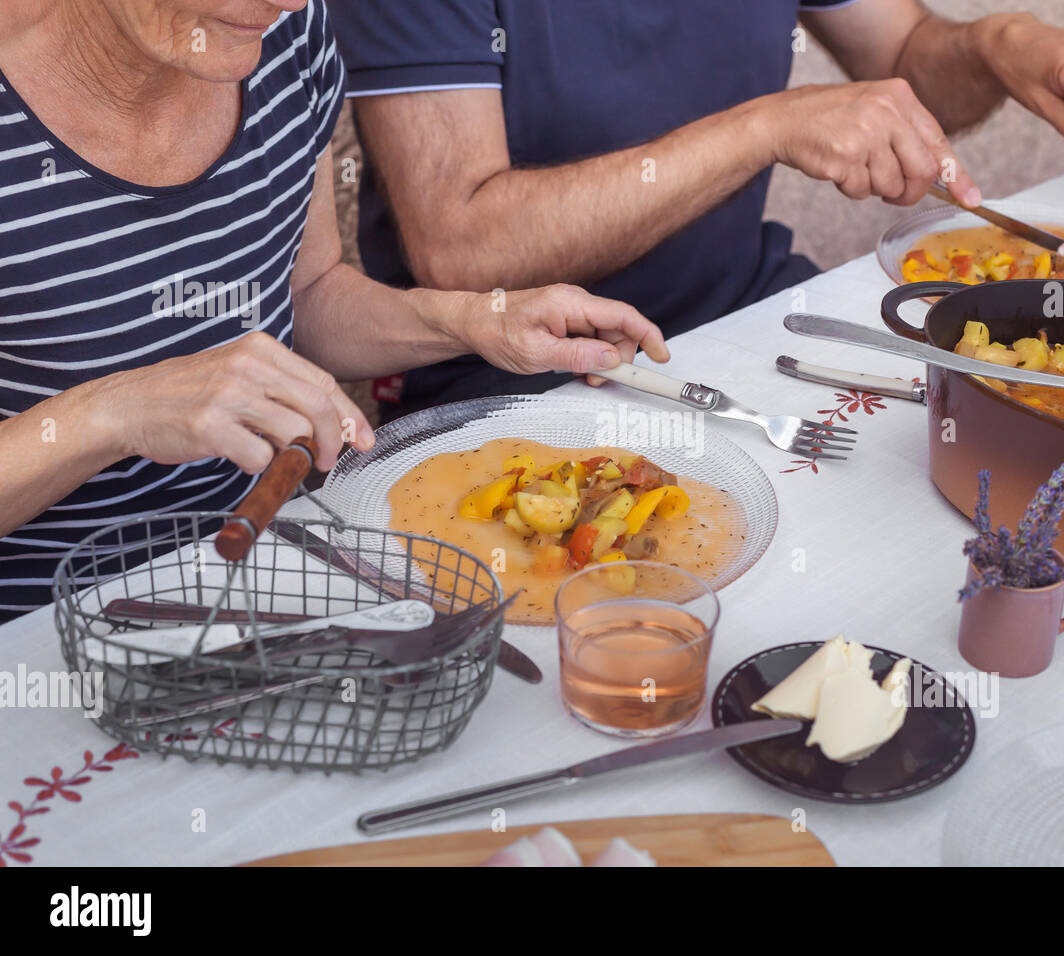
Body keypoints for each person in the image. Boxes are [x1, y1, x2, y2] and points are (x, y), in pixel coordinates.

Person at [0, 0, 667, 621]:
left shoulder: (285, 35)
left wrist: (468, 320)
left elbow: (307, 294)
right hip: (46, 636)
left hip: (281, 589)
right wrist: (113, 412)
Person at [332, 0, 1064, 415]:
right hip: (518, 377)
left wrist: (995, 43)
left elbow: (904, 60)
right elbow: (462, 247)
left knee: (981, 461)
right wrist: (762, 130)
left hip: (749, 316)